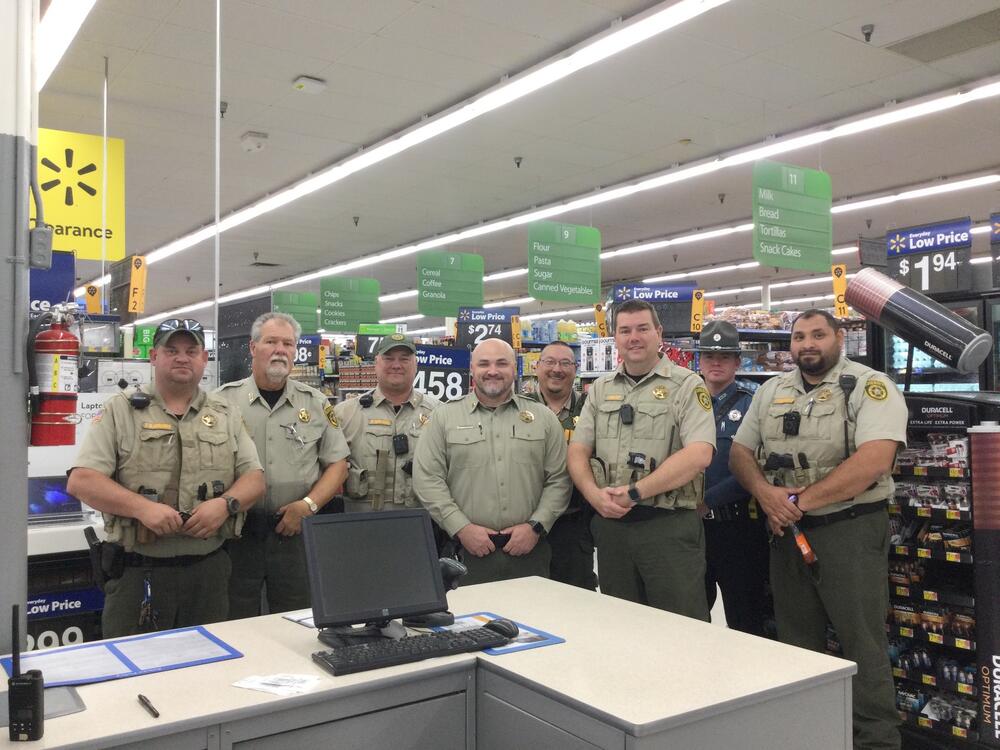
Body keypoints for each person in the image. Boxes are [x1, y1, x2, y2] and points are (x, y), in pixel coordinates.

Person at [730, 308, 907, 750]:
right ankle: (808, 735)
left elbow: (874, 461)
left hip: (849, 531)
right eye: (799, 337)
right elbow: (740, 454)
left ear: (839, 338)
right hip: (786, 533)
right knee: (797, 641)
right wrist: (767, 495)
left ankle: (875, 741)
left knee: (862, 642)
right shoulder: (771, 391)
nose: (807, 344)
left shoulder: (870, 386)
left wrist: (795, 503)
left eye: (818, 335)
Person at [68, 318, 265, 637]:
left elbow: (254, 479)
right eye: (171, 349)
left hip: (208, 573)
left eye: (191, 350)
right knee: (132, 675)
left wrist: (226, 505)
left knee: (205, 670)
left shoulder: (226, 414)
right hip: (138, 572)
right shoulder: (121, 411)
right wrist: (141, 508)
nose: (182, 357)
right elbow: (82, 481)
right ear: (154, 356)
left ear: (204, 359)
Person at [567, 299, 715, 619]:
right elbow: (578, 449)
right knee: (622, 624)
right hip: (612, 529)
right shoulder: (600, 389)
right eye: (625, 330)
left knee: (681, 626)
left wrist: (636, 492)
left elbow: (699, 453)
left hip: (668, 527)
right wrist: (594, 496)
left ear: (658, 333)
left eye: (643, 328)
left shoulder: (687, 385)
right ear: (616, 338)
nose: (634, 337)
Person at [215, 312, 349, 618]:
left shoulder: (315, 403)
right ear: (253, 348)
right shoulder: (223, 402)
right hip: (238, 532)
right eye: (271, 341)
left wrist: (308, 505)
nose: (280, 350)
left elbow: (338, 464)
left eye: (288, 343)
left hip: (295, 534)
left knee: (297, 620)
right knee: (236, 620)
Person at [413, 338, 571, 585]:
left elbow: (560, 479)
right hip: (466, 554)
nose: (493, 371)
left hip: (530, 551)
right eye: (484, 364)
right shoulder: (443, 418)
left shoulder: (544, 418)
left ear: (515, 369)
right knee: (468, 623)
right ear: (472, 370)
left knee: (534, 618)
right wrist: (461, 528)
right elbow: (427, 479)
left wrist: (536, 526)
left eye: (502, 363)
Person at [690, 320, 768, 635]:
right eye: (709, 356)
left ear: (737, 362)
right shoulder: (684, 403)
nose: (716, 363)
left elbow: (756, 468)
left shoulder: (754, 403)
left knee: (745, 617)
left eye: (724, 357)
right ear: (700, 361)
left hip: (738, 529)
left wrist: (708, 501)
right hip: (691, 530)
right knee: (692, 614)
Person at [334, 333, 440, 513]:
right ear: (376, 364)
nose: (396, 365)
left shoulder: (439, 413)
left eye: (404, 359)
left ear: (416, 365)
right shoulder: (344, 414)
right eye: (388, 358)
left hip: (421, 524)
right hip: (359, 525)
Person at [525, 341, 596, 590]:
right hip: (526, 523)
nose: (557, 369)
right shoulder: (518, 407)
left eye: (565, 363)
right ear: (537, 367)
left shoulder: (592, 408)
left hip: (574, 525)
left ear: (575, 370)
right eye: (550, 362)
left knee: (576, 599)